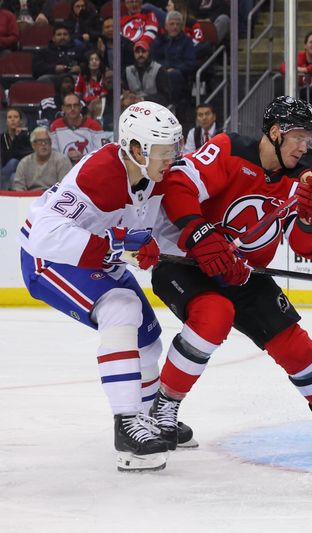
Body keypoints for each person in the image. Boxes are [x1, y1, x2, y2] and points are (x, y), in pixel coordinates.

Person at [148, 96, 312, 450]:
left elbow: (307, 248)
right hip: (188, 263)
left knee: (295, 344)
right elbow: (177, 187)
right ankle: (164, 407)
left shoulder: (300, 182)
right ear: (275, 132)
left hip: (244, 274)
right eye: (299, 138)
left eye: (310, 140)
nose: (305, 147)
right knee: (214, 316)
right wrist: (202, 235)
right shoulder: (228, 149)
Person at [17, 102, 190, 472]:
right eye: (164, 150)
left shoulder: (154, 176)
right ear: (137, 149)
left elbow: (158, 231)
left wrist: (207, 248)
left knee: (147, 338)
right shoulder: (100, 174)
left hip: (97, 259)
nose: (171, 158)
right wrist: (119, 245)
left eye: (174, 148)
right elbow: (42, 234)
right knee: (121, 309)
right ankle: (126, 425)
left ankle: (148, 419)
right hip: (49, 261)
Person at [50, 92, 104, 165]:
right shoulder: (55, 126)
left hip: (88, 168)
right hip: (63, 170)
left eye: (75, 105)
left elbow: (100, 154)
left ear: (80, 107)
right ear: (63, 108)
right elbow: (53, 156)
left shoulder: (94, 126)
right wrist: (66, 157)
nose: (72, 109)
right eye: (69, 106)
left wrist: (83, 157)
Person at [11, 127, 71, 191]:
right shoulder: (24, 163)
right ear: (33, 145)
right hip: (29, 199)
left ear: (51, 143)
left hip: (53, 197)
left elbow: (64, 188)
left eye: (46, 141)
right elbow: (19, 188)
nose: (43, 144)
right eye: (40, 141)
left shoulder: (62, 160)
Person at [124, 40, 170, 106]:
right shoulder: (127, 71)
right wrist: (125, 98)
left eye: (143, 51)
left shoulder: (159, 69)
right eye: (137, 52)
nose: (140, 54)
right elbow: (124, 91)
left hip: (155, 108)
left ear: (149, 53)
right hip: (134, 108)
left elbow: (165, 97)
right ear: (134, 54)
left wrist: (144, 99)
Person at [1, 107, 33, 189]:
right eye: (10, 117)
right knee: (13, 163)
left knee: (14, 172)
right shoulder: (2, 137)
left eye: (15, 117)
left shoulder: (26, 136)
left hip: (23, 169)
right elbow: (5, 157)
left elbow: (28, 155)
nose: (12, 120)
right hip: (5, 169)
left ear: (21, 121)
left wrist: (18, 137)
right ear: (6, 122)